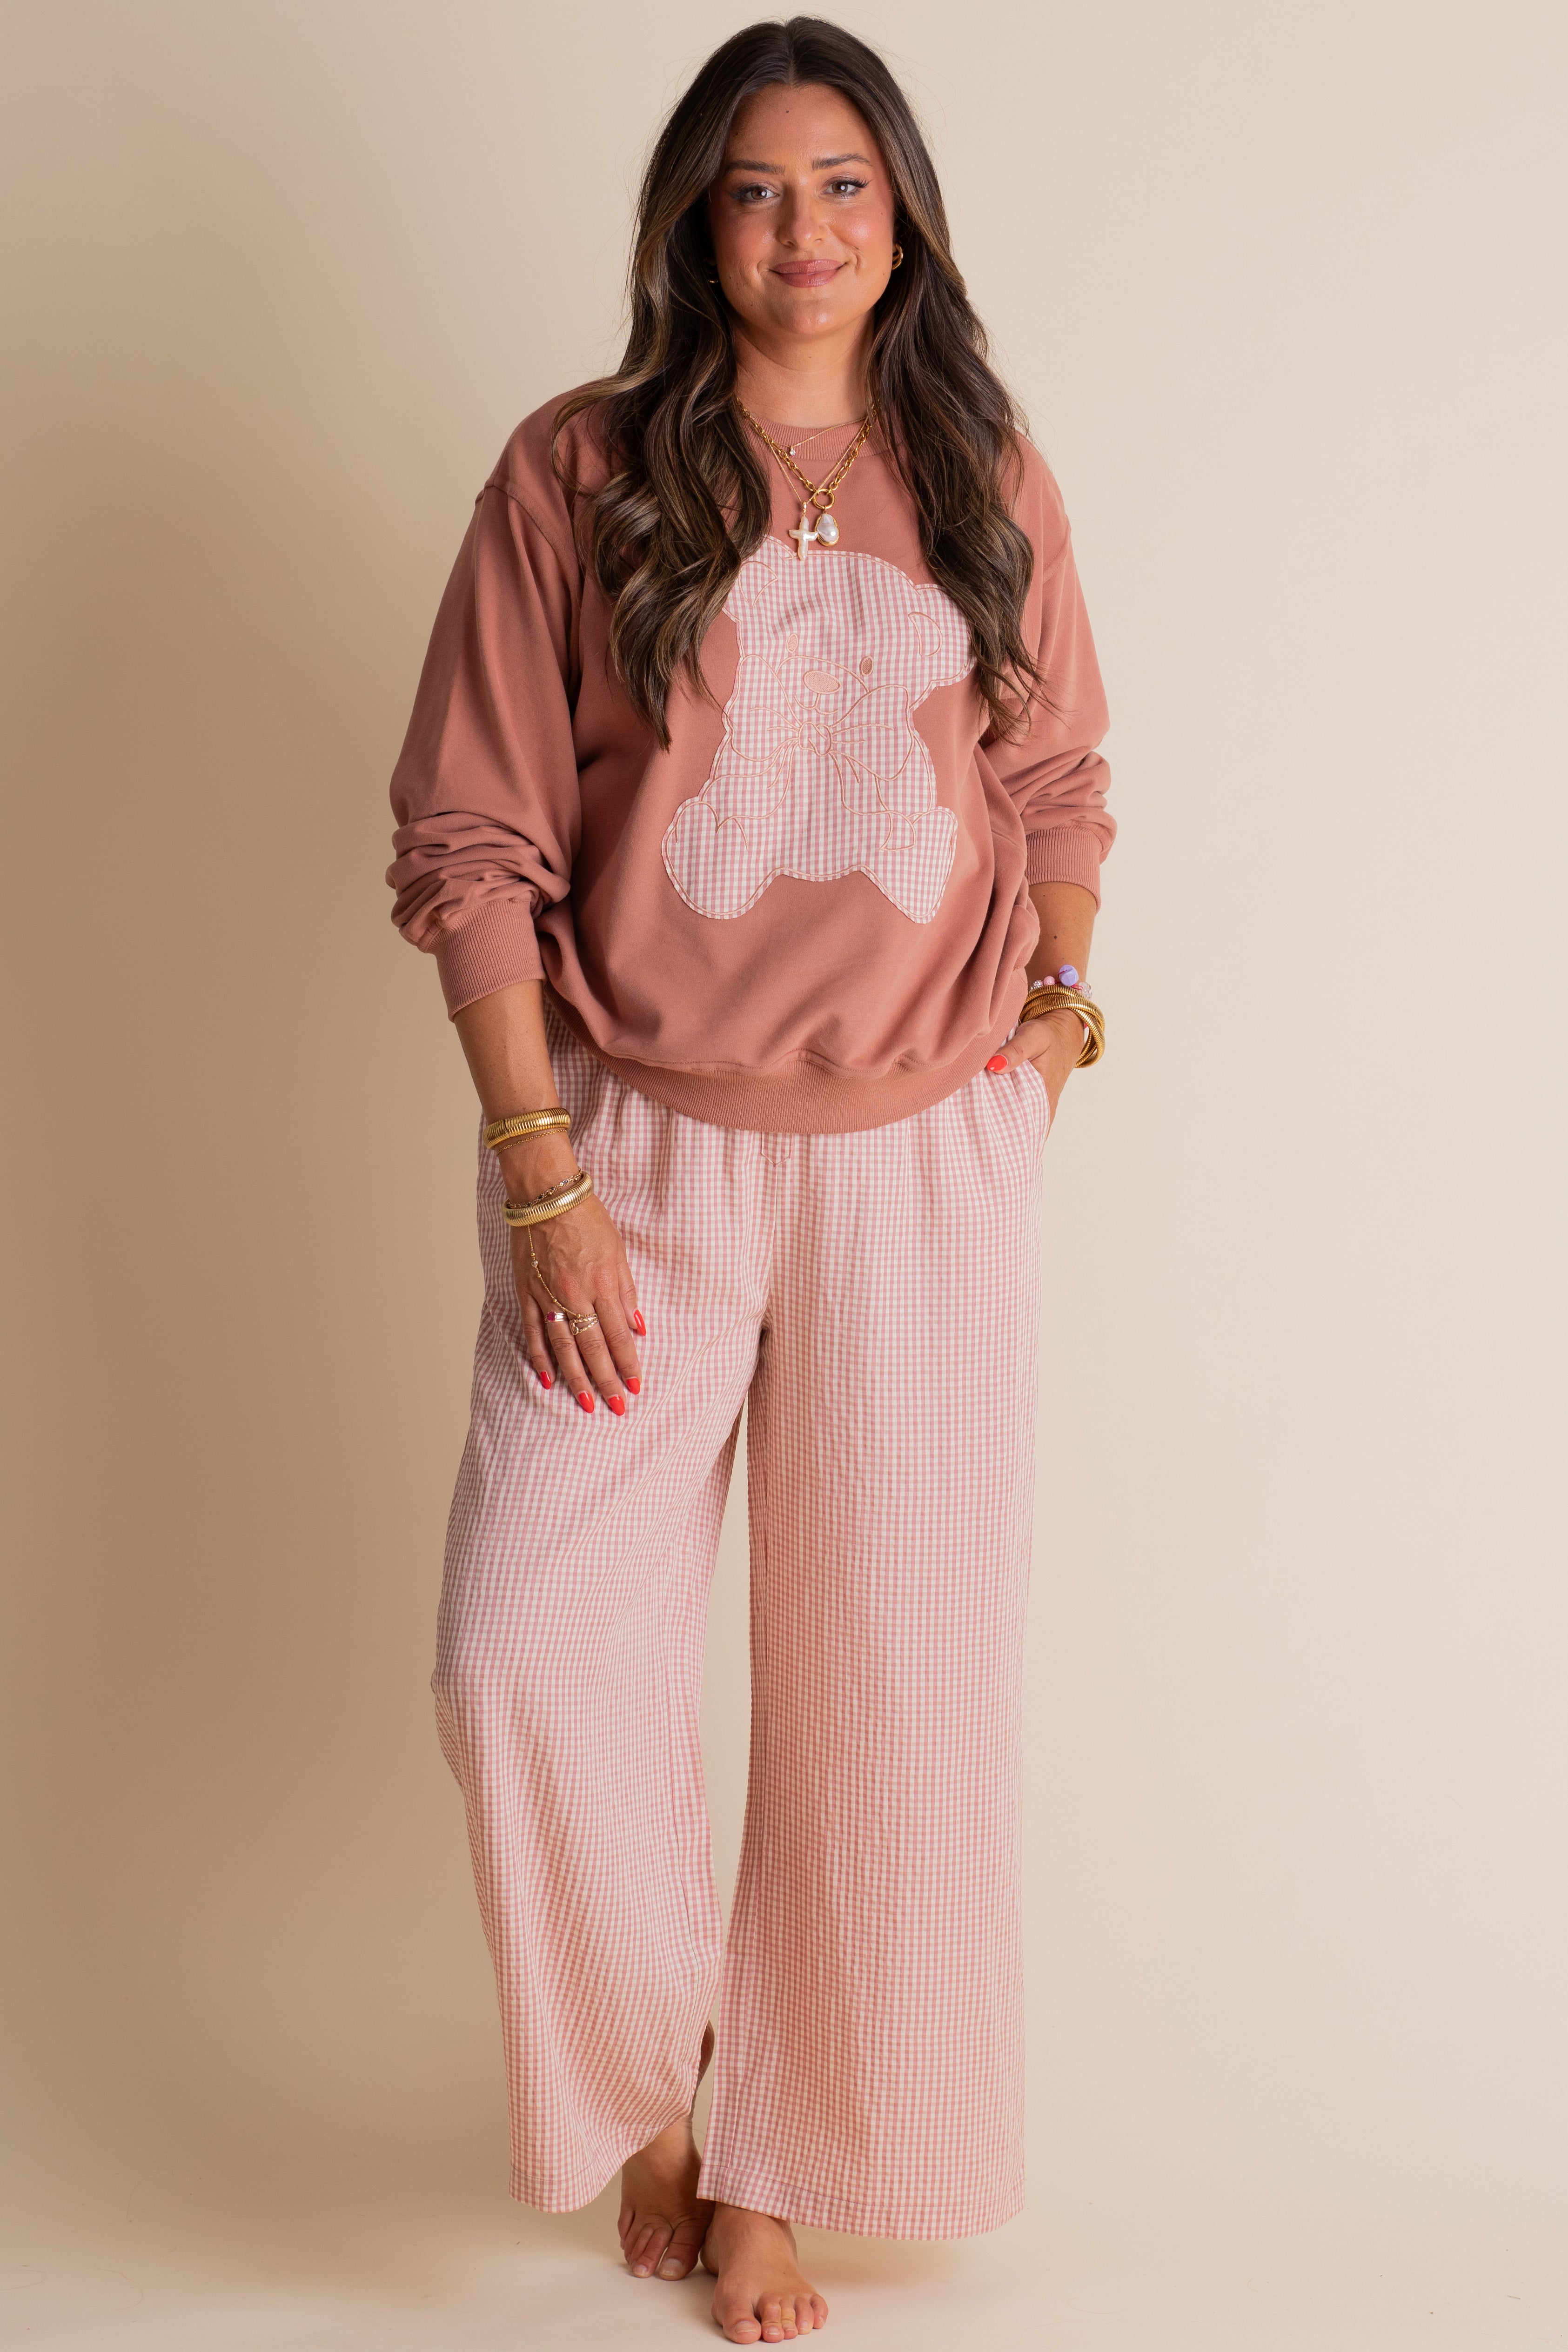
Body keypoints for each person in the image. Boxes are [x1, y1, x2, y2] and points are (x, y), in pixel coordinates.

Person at [386, 16, 1112, 2344]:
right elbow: (471, 837)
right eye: (757, 189)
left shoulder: (981, 470)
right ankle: (660, 2091)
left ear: (904, 220)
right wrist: (540, 1167)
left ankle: (782, 2167)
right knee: (523, 1653)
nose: (804, 230)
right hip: (632, 1155)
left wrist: (1056, 1022)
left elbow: (1061, 774)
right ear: (696, 223)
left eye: (844, 185)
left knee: (890, 1692)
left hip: (921, 1165)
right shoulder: (579, 472)